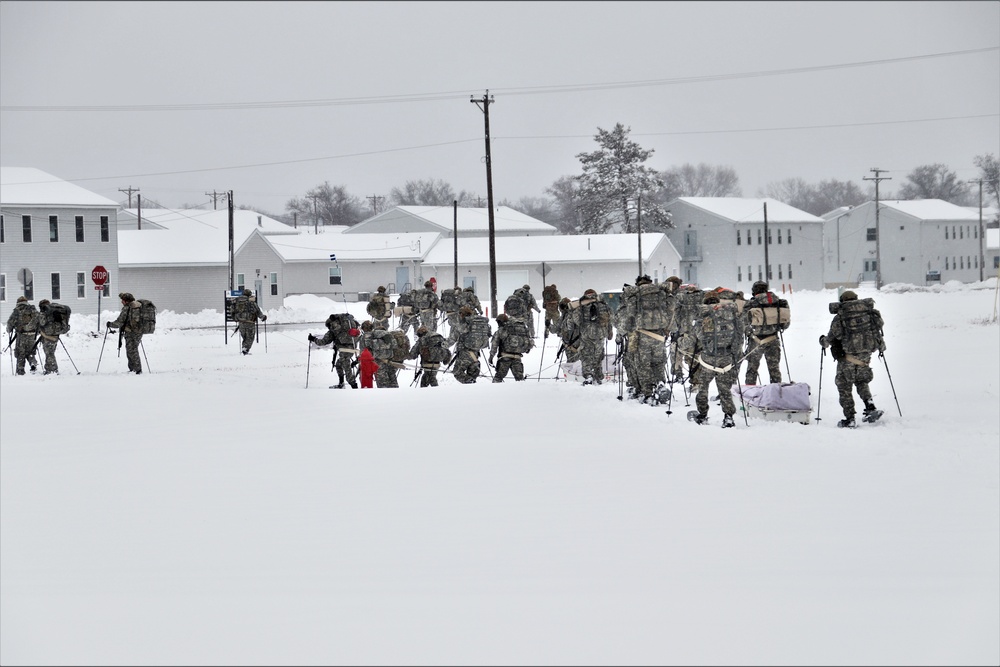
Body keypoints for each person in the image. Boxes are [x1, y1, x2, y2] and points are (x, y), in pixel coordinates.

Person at [820, 290, 885, 428]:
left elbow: (831, 338)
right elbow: (877, 331)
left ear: (842, 301)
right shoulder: (868, 313)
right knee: (862, 382)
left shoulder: (841, 316)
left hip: (847, 358)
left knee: (844, 386)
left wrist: (822, 341)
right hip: (865, 357)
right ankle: (871, 407)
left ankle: (850, 418)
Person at [689, 291, 744, 427]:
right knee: (724, 389)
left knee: (703, 388)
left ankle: (702, 415)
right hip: (726, 358)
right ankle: (728, 417)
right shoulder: (730, 315)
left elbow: (699, 337)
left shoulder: (703, 317)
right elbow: (739, 335)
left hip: (708, 359)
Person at [743, 280, 790, 385]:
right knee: (774, 369)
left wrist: (749, 333)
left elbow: (743, 323)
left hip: (756, 341)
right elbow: (785, 324)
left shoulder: (751, 303)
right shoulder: (777, 302)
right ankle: (776, 391)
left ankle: (750, 392)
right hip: (773, 339)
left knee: (752, 369)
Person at [308, 312, 360, 389]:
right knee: (338, 365)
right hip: (353, 348)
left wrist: (313, 339)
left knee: (347, 369)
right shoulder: (348, 325)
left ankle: (354, 387)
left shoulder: (333, 330)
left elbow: (323, 342)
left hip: (344, 351)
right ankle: (341, 383)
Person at [573, 289, 613, 385]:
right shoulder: (603, 305)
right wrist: (609, 331)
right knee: (598, 356)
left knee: (586, 356)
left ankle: (588, 375)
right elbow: (610, 319)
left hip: (586, 335)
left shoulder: (581, 306)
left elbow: (576, 320)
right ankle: (598, 375)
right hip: (600, 334)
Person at [107, 292, 145, 374]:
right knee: (132, 349)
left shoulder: (127, 308)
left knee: (132, 350)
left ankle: (137, 369)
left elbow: (120, 322)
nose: (121, 302)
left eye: (123, 300)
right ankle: (134, 369)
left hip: (131, 332)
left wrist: (110, 324)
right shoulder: (138, 307)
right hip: (138, 332)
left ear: (126, 301)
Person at [489, 313, 533, 382]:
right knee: (520, 379)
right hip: (517, 357)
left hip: (505, 357)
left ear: (500, 321)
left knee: (498, 378)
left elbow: (494, 345)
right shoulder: (518, 329)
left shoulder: (502, 330)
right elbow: (529, 340)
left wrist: (491, 357)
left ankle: (495, 392)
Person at [33, 299, 71, 375]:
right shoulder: (55, 310)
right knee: (50, 352)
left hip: (48, 335)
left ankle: (53, 369)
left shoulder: (45, 311)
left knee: (49, 353)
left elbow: (42, 322)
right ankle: (49, 368)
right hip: (56, 333)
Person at [451, 306, 488, 384]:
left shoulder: (464, 323)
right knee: (472, 375)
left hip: (465, 353)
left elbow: (452, 338)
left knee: (457, 372)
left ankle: (470, 383)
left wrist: (442, 345)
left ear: (461, 314)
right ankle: (471, 390)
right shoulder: (478, 323)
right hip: (476, 354)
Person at [5, 296, 39, 375]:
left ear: (18, 303)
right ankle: (32, 362)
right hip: (32, 335)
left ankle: (20, 370)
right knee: (30, 351)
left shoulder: (17, 311)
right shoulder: (32, 309)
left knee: (21, 352)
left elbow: (10, 322)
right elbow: (38, 320)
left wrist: (9, 330)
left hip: (21, 335)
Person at [234, 288, 267, 355]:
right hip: (250, 323)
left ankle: (244, 349)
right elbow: (257, 311)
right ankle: (245, 349)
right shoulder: (251, 302)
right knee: (250, 337)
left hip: (241, 323)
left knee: (245, 337)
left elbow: (234, 311)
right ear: (249, 295)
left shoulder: (238, 302)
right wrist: (263, 317)